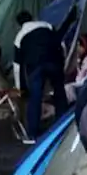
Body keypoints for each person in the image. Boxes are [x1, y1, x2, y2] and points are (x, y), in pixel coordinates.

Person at [13, 10, 66, 139]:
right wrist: (62, 63)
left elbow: (17, 65)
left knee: (35, 98)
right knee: (59, 92)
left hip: (36, 66)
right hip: (54, 61)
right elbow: (61, 44)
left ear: (19, 24)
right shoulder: (47, 26)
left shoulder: (20, 35)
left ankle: (33, 133)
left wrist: (20, 87)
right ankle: (64, 126)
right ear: (33, 18)